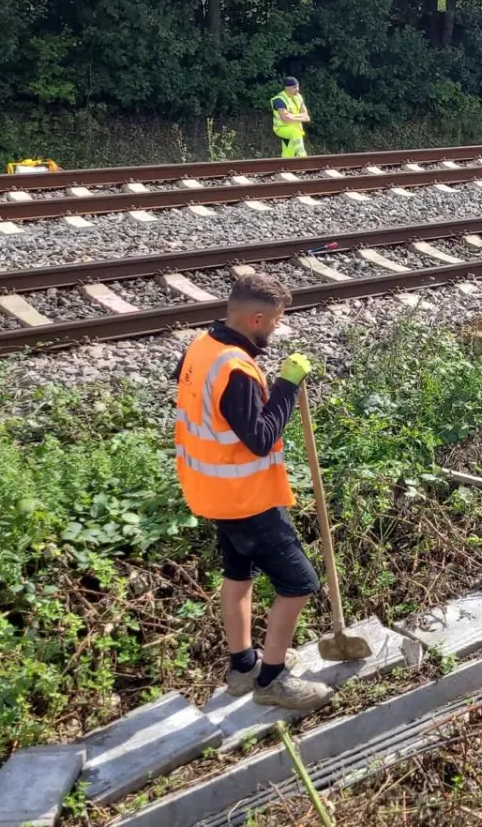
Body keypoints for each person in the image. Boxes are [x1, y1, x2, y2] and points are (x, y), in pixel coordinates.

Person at [173, 273, 332, 712]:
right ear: (256, 317)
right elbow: (260, 437)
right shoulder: (236, 370)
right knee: (300, 583)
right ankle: (272, 680)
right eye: (275, 322)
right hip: (246, 497)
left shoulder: (203, 347)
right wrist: (287, 384)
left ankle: (243, 665)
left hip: (212, 490)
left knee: (238, 574)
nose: (276, 330)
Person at [272, 77, 311, 159]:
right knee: (295, 132)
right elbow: (285, 119)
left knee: (288, 152)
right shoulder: (280, 100)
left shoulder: (298, 97)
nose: (297, 89)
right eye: (294, 87)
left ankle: (286, 167)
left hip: (293, 128)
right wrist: (300, 117)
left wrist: (292, 116)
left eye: (298, 86)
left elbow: (307, 116)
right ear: (287, 88)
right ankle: (303, 158)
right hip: (282, 128)